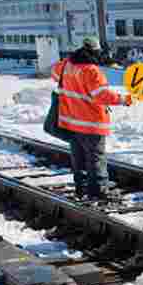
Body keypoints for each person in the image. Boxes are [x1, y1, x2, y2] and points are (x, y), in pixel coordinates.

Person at [52, 36, 132, 200]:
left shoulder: (67, 64)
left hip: (71, 121)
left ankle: (81, 188)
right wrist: (124, 99)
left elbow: (54, 73)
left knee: (78, 157)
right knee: (96, 158)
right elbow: (101, 96)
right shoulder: (91, 71)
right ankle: (99, 192)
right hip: (90, 123)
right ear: (95, 51)